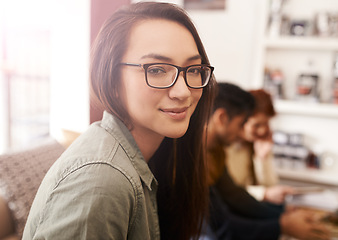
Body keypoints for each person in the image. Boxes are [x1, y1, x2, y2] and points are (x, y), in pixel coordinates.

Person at [22, 2, 216, 240]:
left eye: (194, 69)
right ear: (111, 80)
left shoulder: (151, 158)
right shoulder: (101, 180)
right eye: (156, 69)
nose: (183, 92)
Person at [202, 82, 329, 240]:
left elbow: (235, 196)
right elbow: (221, 226)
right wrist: (282, 225)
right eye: (242, 123)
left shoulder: (215, 152)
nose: (242, 131)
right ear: (221, 118)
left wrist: (282, 214)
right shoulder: (194, 158)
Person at [226, 89, 295, 204]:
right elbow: (226, 192)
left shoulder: (257, 144)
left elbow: (270, 186)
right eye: (256, 125)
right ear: (241, 120)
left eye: (266, 124)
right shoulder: (226, 145)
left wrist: (262, 158)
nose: (262, 130)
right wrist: (264, 194)